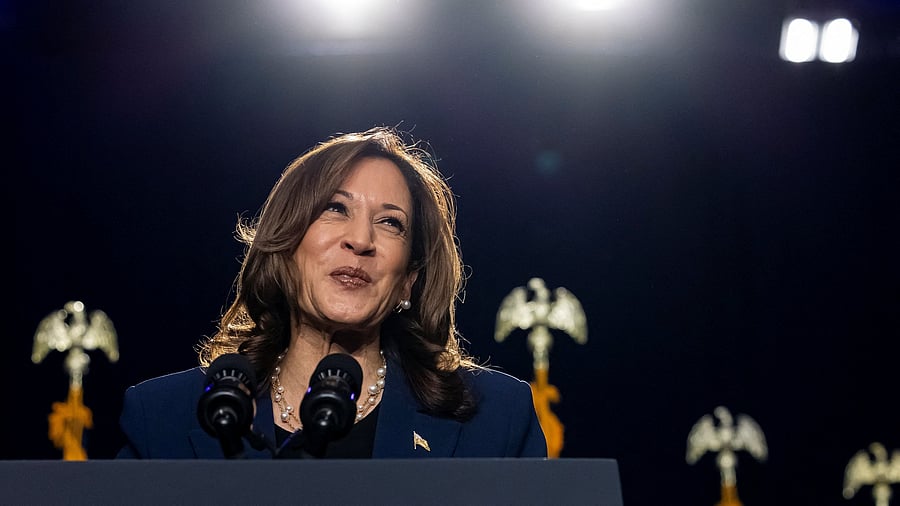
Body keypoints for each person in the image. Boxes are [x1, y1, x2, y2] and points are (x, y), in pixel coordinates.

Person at [116, 126, 547, 459]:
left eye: (390, 223)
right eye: (335, 208)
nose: (360, 240)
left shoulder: (496, 419)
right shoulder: (161, 418)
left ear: (409, 279)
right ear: (285, 245)